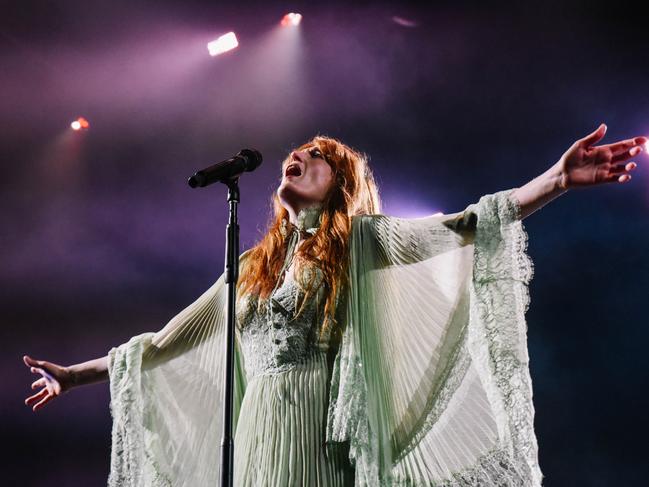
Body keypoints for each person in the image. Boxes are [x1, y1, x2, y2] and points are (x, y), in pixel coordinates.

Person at [24, 124, 646, 486]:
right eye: (301, 152)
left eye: (318, 155)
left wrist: (556, 181)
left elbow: (462, 225)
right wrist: (74, 376)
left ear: (341, 183)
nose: (301, 156)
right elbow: (167, 342)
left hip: (320, 438)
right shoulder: (251, 265)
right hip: (256, 440)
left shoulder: (362, 242)